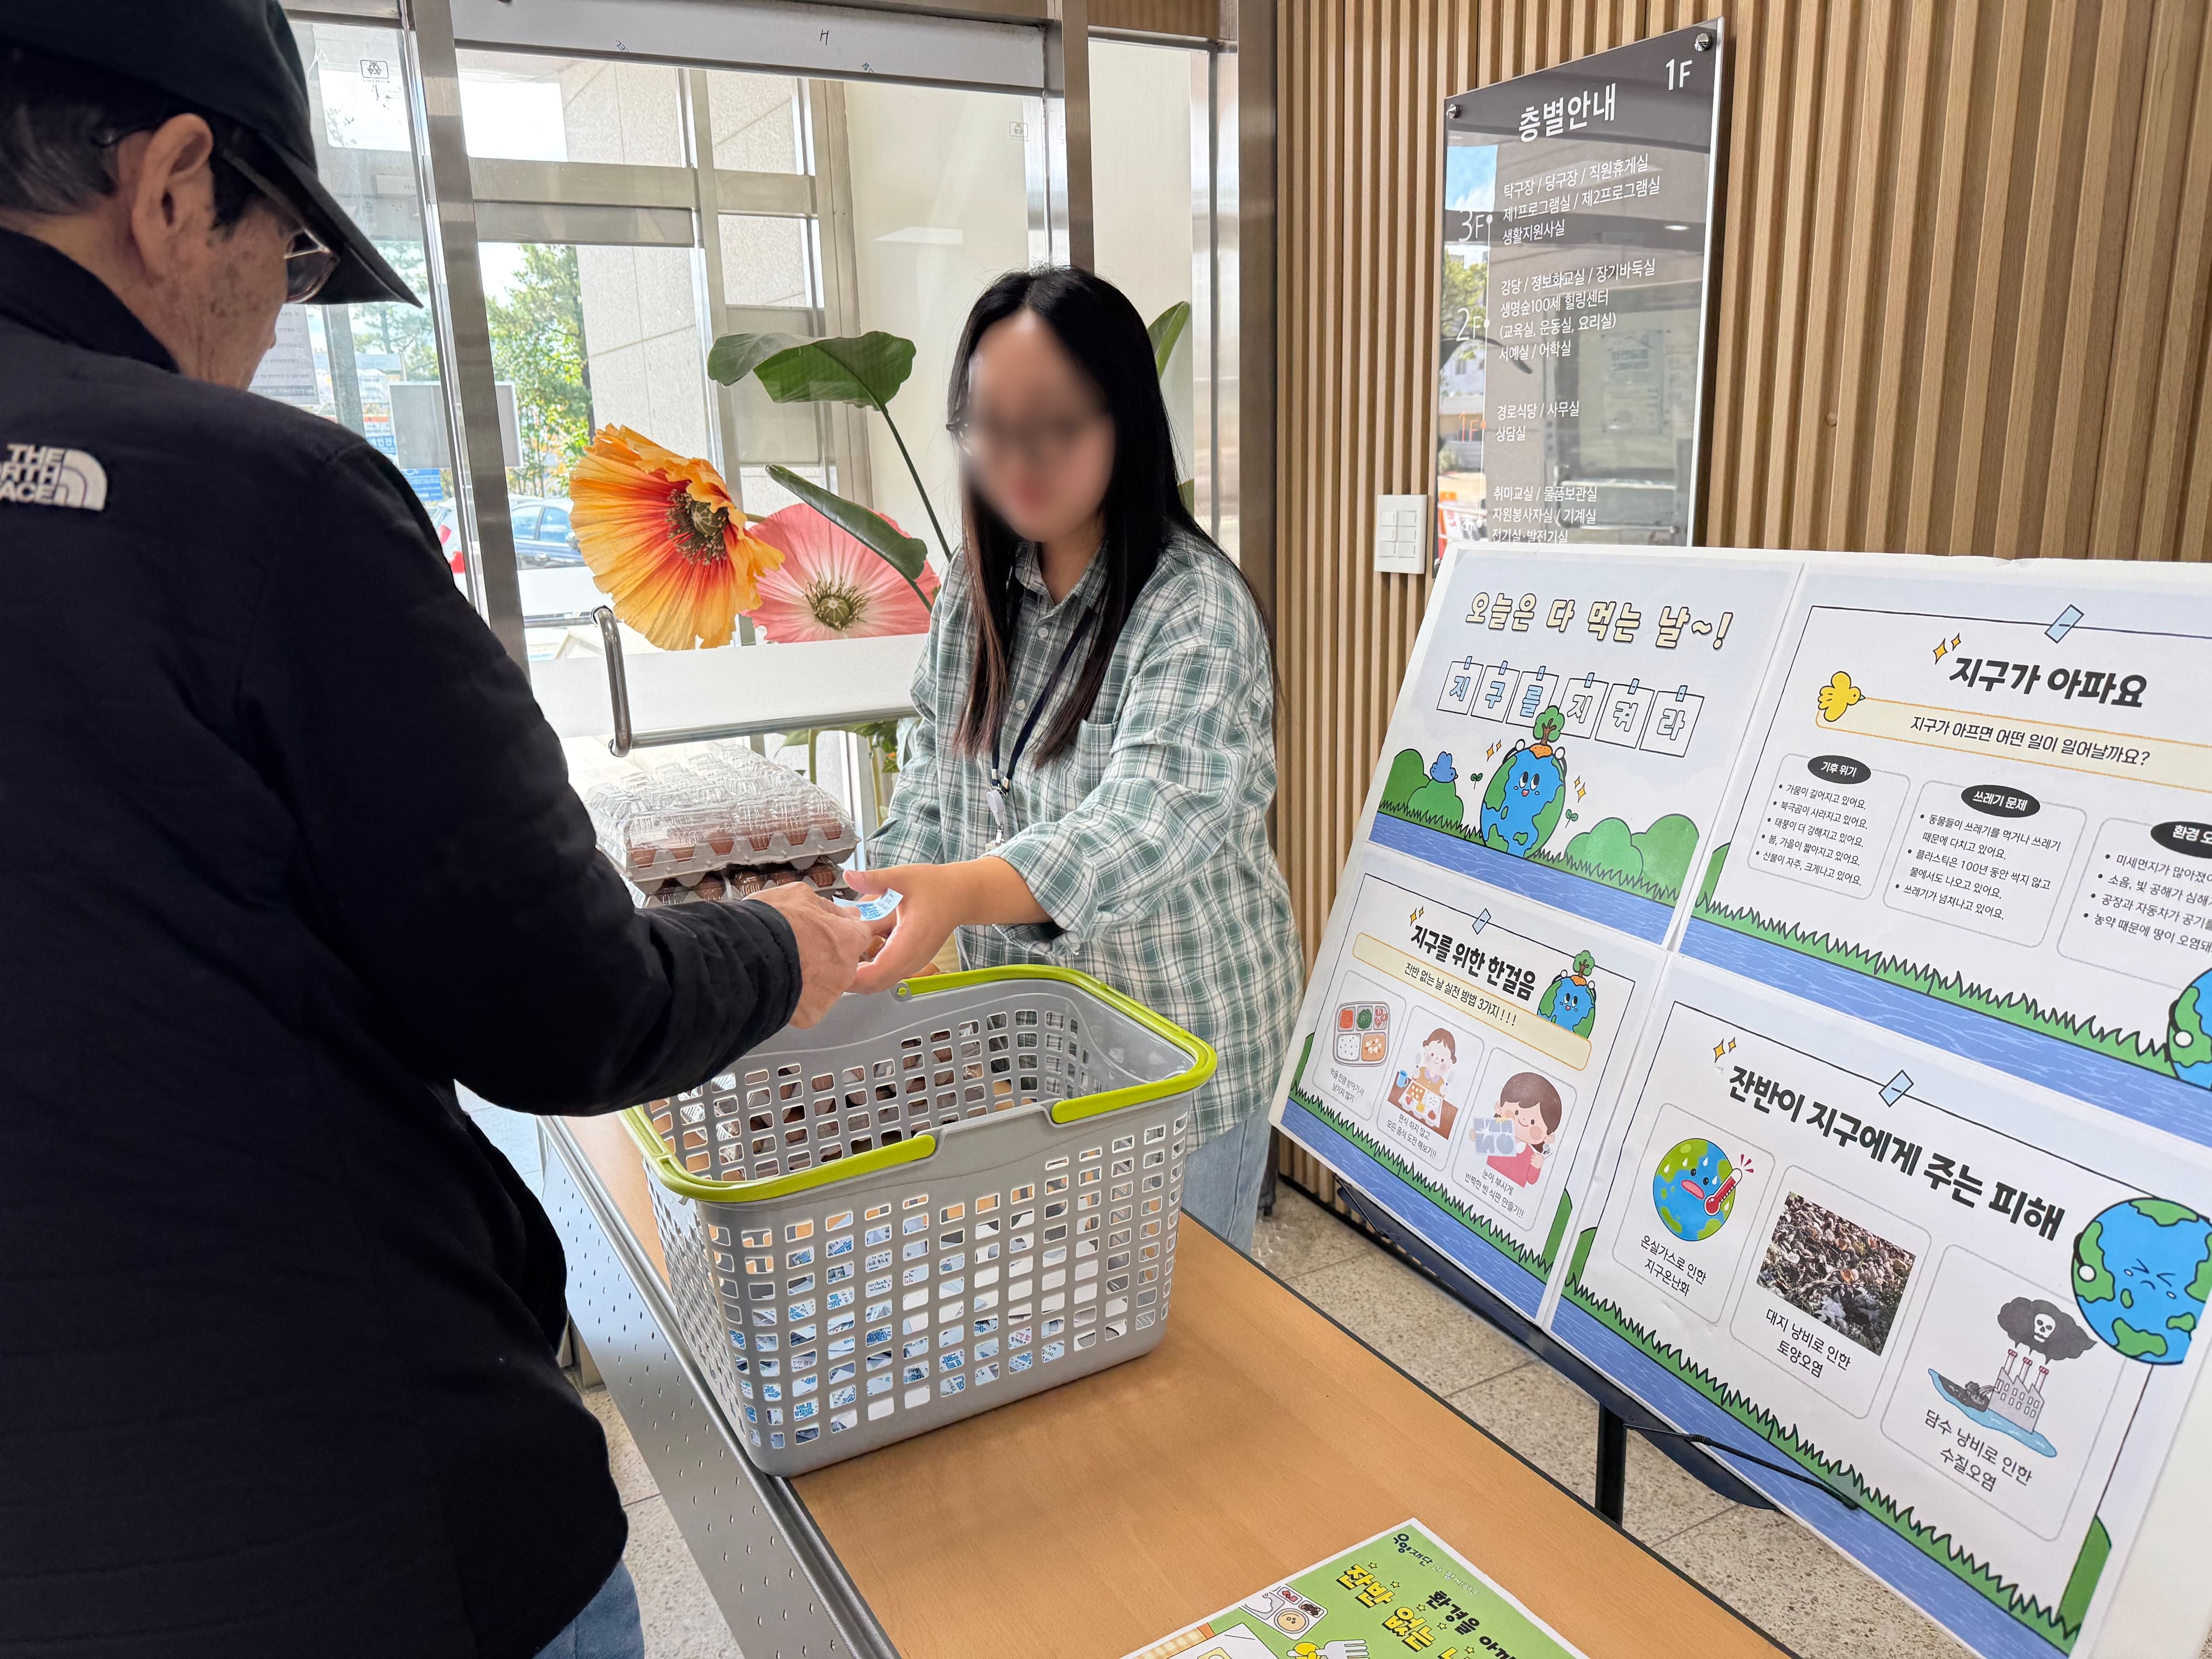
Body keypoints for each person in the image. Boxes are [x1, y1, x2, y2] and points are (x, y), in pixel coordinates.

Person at [0, 7, 878, 1657]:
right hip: (353, 1514)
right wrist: (782, 943)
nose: (277, 317)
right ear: (176, 184)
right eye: (295, 258)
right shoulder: (263, 497)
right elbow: (564, 1003)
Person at [849, 267, 1303, 1252]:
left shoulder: (1193, 606)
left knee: (1179, 1318)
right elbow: (933, 764)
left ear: (1122, 419)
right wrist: (888, 895)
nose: (1019, 459)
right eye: (991, 427)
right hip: (1028, 1052)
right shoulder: (979, 585)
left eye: (1053, 426)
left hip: (1181, 1043)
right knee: (1066, 1302)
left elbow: (1147, 821)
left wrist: (962, 892)